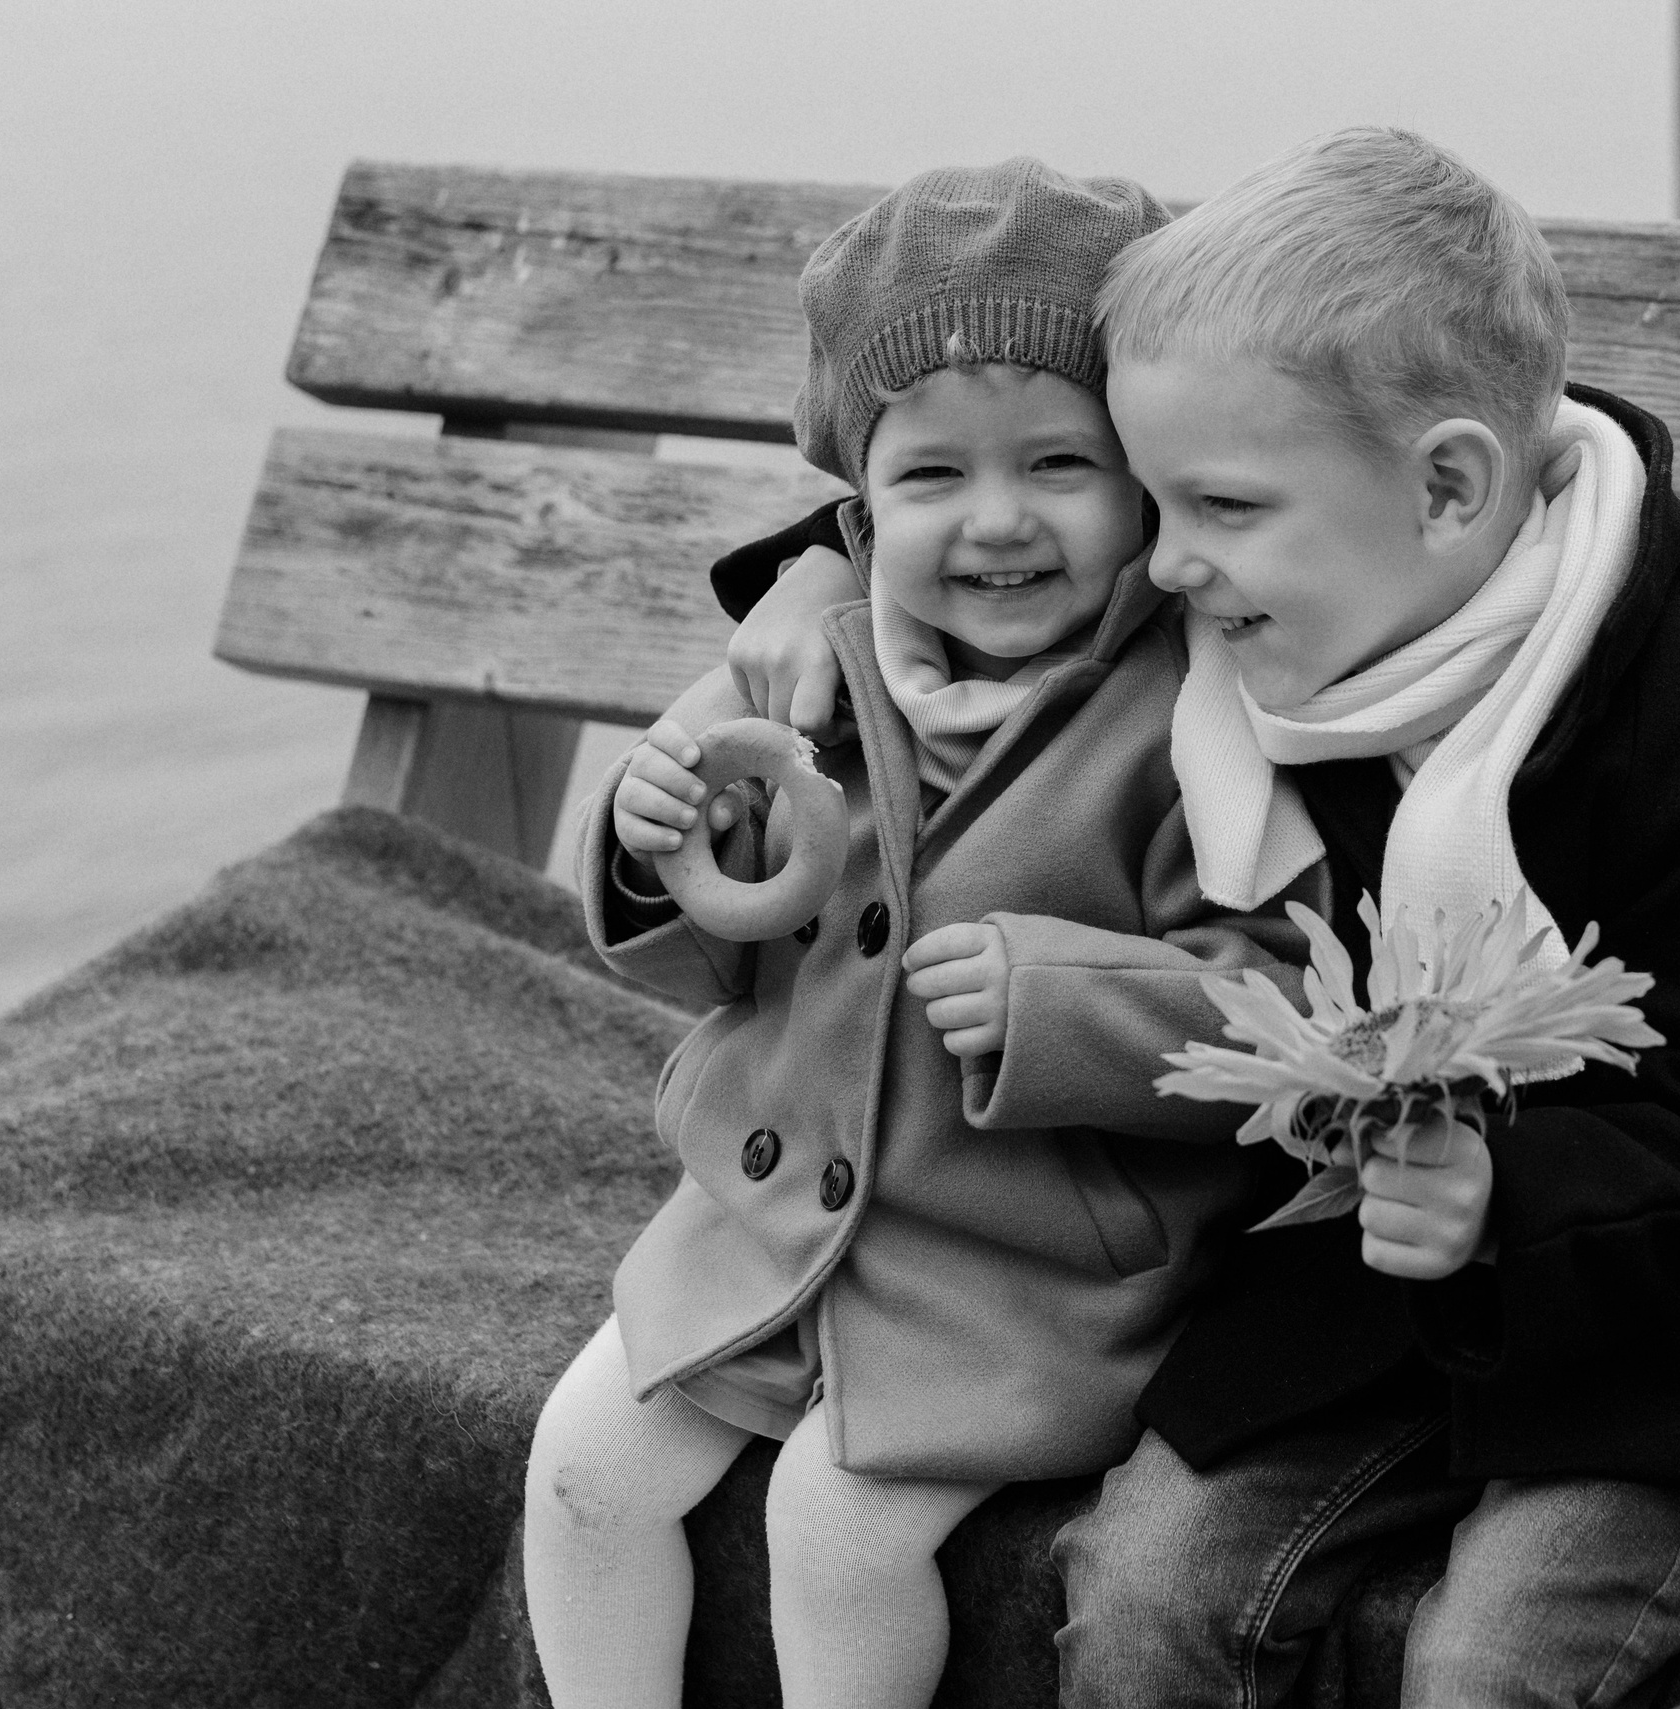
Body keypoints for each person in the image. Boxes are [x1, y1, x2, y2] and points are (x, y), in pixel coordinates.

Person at [713, 127, 1680, 1708]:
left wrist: (1510, 1189)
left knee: (1483, 1663)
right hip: (1364, 1296)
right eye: (1153, 499)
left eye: (1212, 508)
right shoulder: (1308, 579)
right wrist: (816, 578)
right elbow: (981, 513)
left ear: (1449, 487)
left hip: (1673, 1330)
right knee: (1142, 1590)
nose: (1163, 565)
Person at [519, 158, 1318, 1709]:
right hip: (770, 1225)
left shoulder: (1201, 714)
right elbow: (731, 960)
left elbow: (1288, 1013)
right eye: (932, 474)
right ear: (860, 500)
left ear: (1149, 474)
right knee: (582, 1469)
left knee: (834, 1532)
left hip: (1028, 1273)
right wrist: (665, 847)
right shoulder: (813, 665)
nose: (997, 520)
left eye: (1062, 463)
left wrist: (1061, 1003)